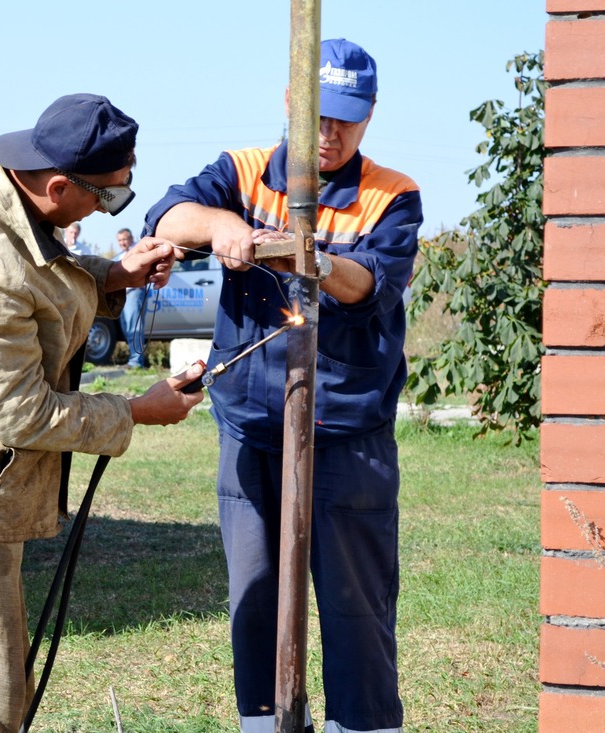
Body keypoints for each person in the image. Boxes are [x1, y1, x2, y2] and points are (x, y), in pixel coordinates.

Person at [0, 92, 205, 733]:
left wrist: (113, 275)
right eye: (109, 198)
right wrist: (135, 411)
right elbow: (20, 413)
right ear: (57, 185)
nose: (113, 207)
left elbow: (39, 273)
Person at [144, 39, 422, 733]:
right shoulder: (241, 171)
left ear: (370, 116)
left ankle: (360, 724)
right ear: (292, 102)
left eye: (347, 120)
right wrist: (225, 227)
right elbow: (168, 216)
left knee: (355, 603)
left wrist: (319, 262)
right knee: (256, 593)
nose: (329, 135)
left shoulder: (392, 194)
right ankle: (263, 724)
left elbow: (372, 283)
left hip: (346, 439)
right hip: (251, 430)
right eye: (319, 116)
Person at [113, 227, 147, 368]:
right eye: (120, 240)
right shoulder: (119, 256)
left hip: (134, 292)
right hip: (122, 295)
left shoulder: (138, 252)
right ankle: (134, 359)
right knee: (127, 328)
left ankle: (136, 362)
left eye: (125, 239)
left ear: (131, 238)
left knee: (135, 327)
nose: (122, 243)